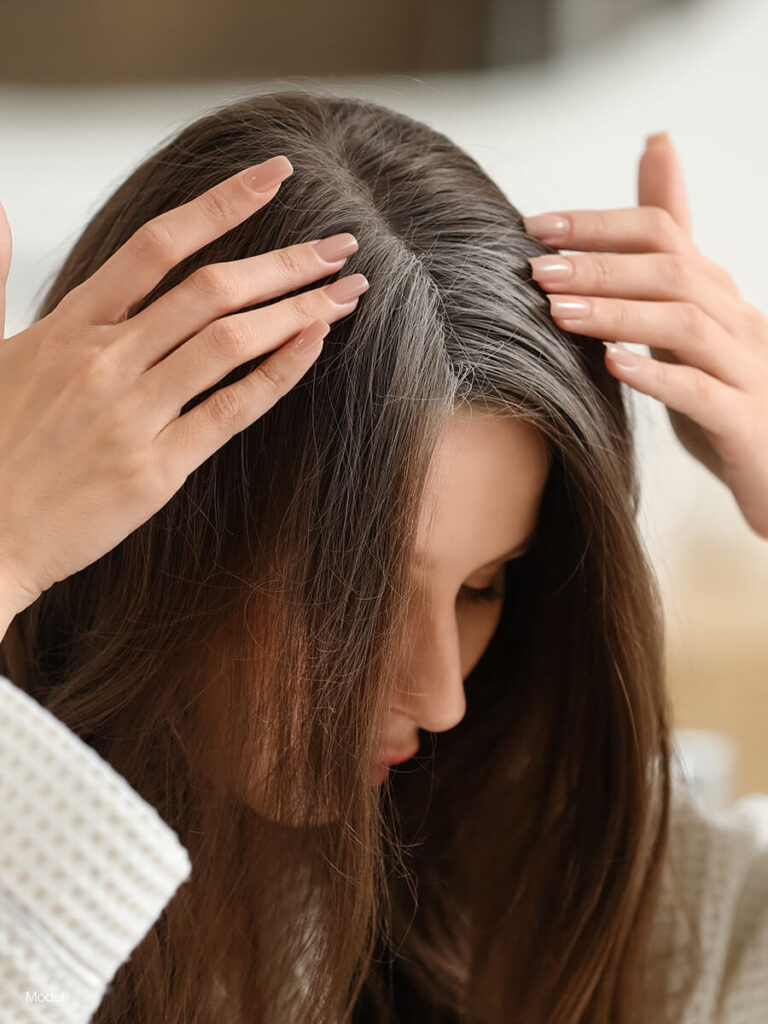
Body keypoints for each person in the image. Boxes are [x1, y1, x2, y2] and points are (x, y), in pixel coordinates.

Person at [0, 91, 766, 1024]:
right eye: (356, 597)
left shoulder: (545, 873)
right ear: (154, 535)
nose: (442, 697)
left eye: (485, 588)